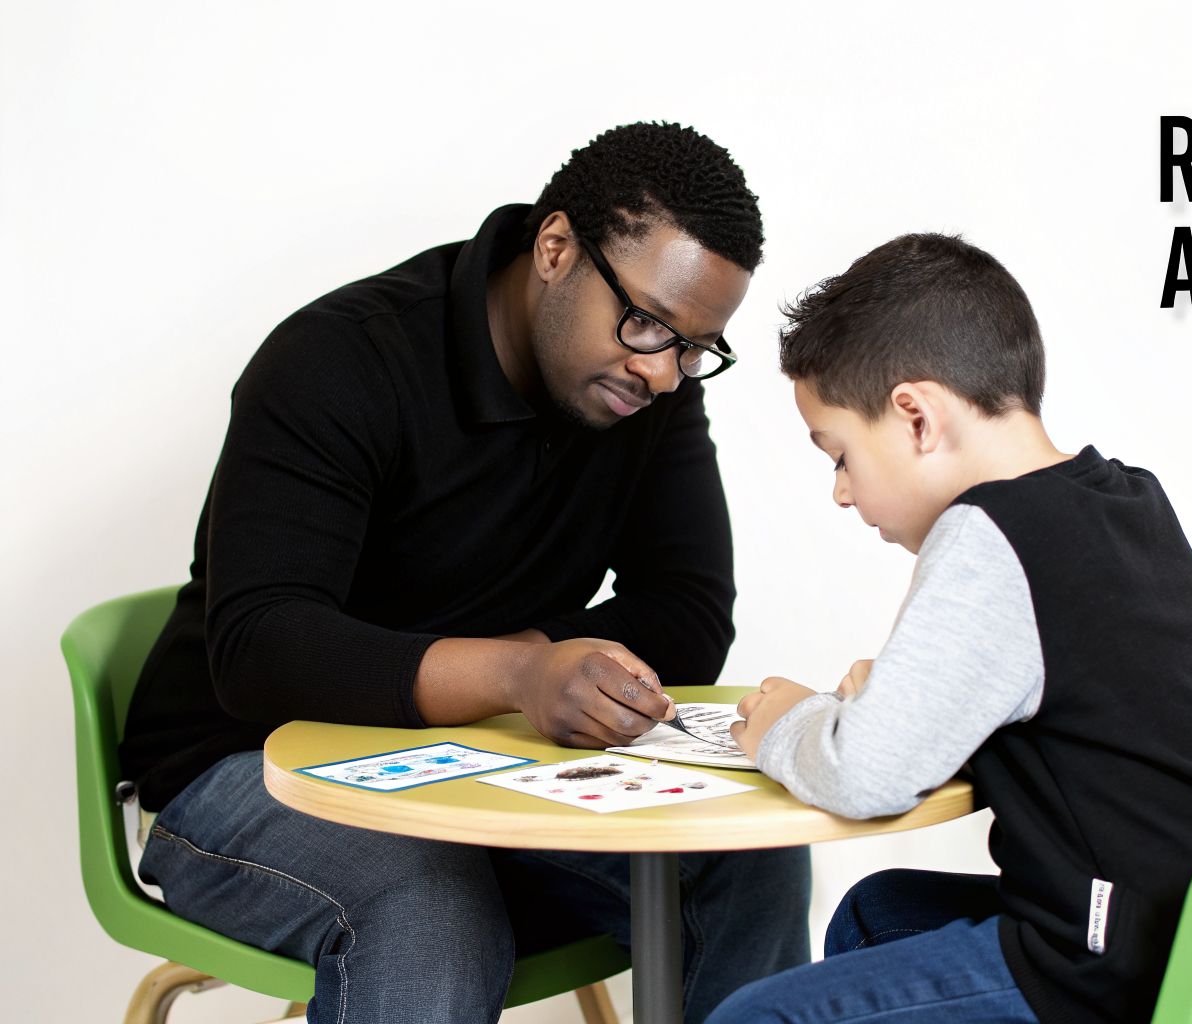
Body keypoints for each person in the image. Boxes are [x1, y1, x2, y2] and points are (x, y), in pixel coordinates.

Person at [119, 122, 809, 1024]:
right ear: (556, 248)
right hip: (244, 764)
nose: (666, 373)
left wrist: (539, 671)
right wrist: (518, 675)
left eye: (695, 347)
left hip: (477, 766)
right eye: (646, 324)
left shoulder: (647, 389)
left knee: (746, 857)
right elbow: (261, 650)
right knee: (425, 902)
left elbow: (687, 606)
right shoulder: (340, 359)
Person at [717, 233, 1192, 1024]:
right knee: (878, 913)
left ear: (915, 417)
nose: (842, 493)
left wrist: (790, 721)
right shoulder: (1126, 502)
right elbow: (1087, 701)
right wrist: (889, 704)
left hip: (1109, 969)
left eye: (839, 454)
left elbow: (866, 776)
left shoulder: (991, 532)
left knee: (751, 1018)